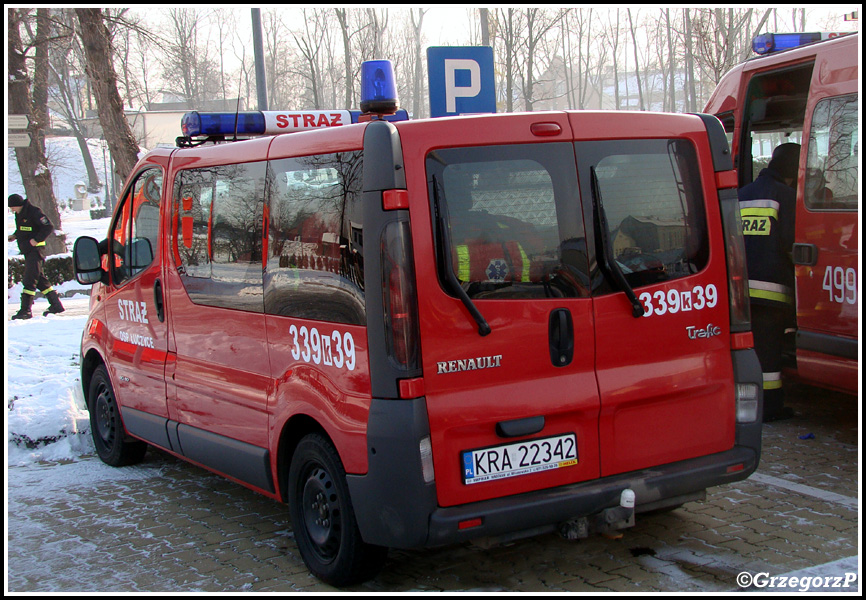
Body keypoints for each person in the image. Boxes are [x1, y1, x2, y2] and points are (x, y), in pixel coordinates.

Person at [738, 143, 799, 422]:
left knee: (749, 350)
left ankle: (747, 404)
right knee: (770, 353)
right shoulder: (786, 197)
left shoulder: (742, 195)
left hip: (740, 291)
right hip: (772, 292)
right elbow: (792, 244)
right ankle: (770, 408)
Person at [8, 194, 65, 319]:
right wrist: (15, 235)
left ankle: (25, 310)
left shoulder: (34, 212)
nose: (12, 210)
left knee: (29, 280)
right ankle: (56, 305)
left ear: (18, 205)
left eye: (12, 207)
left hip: (36, 251)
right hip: (28, 251)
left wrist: (36, 240)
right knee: (40, 280)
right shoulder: (20, 214)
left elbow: (48, 227)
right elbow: (24, 229)